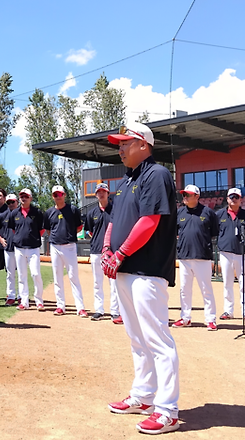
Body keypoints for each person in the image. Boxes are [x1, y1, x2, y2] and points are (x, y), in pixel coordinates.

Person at [103, 121, 180, 435]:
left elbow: (149, 220)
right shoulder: (126, 179)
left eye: (125, 142)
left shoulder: (156, 174)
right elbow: (114, 220)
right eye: (119, 143)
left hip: (147, 270)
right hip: (125, 269)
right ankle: (143, 395)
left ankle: (167, 410)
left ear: (144, 145)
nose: (120, 148)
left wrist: (120, 253)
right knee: (137, 338)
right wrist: (108, 248)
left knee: (157, 340)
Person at [173, 184, 219, 330]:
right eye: (183, 194)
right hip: (184, 257)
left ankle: (210, 319)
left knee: (206, 289)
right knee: (184, 289)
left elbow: (214, 232)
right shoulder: (179, 213)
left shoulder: (208, 213)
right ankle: (185, 318)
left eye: (187, 194)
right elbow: (175, 232)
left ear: (197, 196)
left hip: (202, 257)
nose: (184, 197)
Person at [44, 185, 87, 317]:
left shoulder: (73, 210)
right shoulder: (49, 212)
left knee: (73, 277)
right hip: (55, 246)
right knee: (57, 278)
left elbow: (79, 227)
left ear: (64, 195)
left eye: (60, 194)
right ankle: (60, 306)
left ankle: (80, 308)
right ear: (53, 196)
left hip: (69, 246)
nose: (58, 196)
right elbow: (48, 230)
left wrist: (68, 235)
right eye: (55, 194)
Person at [84, 183, 121, 323]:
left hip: (112, 252)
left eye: (103, 191)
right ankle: (99, 310)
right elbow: (90, 231)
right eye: (99, 192)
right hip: (96, 251)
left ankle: (115, 311)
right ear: (96, 194)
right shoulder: (91, 213)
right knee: (97, 282)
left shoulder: (116, 210)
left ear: (108, 193)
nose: (101, 194)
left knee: (114, 283)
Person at [7, 188, 45, 311]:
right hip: (19, 248)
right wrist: (20, 238)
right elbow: (13, 229)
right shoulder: (14, 213)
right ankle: (24, 302)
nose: (24, 198)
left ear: (31, 198)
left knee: (35, 274)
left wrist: (33, 237)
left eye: (26, 196)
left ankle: (39, 300)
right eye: (22, 196)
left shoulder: (37, 212)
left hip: (33, 248)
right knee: (22, 276)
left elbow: (42, 229)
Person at [216, 187, 245, 320]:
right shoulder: (219, 215)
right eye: (231, 197)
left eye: (236, 197)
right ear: (227, 199)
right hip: (225, 252)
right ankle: (228, 311)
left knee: (243, 283)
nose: (234, 199)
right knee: (227, 283)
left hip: (242, 253)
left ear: (241, 199)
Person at [2, 194, 19, 306]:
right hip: (8, 248)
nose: (11, 204)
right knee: (10, 273)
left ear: (16, 202)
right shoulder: (4, 215)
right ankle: (11, 296)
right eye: (8, 203)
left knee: (22, 274)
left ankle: (22, 296)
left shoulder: (21, 213)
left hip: (21, 247)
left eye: (12, 202)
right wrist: (0, 239)